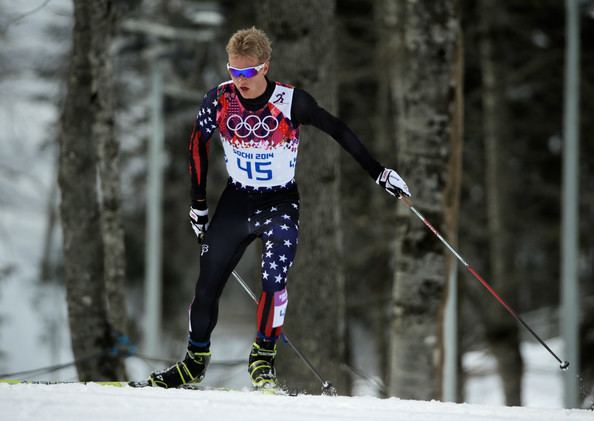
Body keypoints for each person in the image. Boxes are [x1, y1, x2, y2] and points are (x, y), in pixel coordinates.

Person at [147, 26, 410, 389]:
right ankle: (193, 363)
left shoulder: (290, 102)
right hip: (236, 202)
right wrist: (198, 207)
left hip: (279, 203)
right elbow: (196, 146)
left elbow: (338, 130)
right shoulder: (219, 100)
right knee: (207, 284)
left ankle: (263, 359)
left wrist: (379, 172)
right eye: (233, 71)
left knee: (274, 277)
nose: (240, 80)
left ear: (264, 67)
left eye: (247, 72)